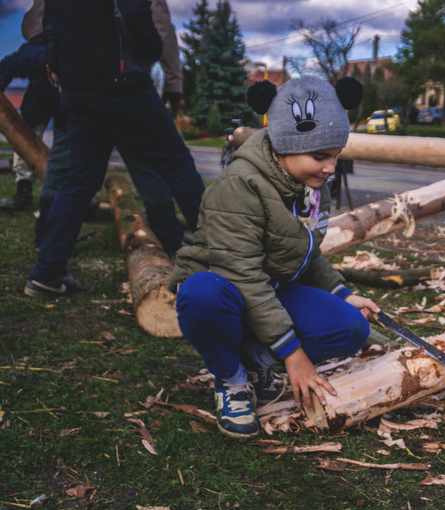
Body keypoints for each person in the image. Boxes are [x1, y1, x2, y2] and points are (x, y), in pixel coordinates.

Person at [169, 76, 379, 439]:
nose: (331, 168)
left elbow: (305, 254)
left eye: (335, 156)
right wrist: (293, 355)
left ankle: (253, 361)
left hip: (270, 290)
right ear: (285, 144)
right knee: (200, 293)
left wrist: (342, 294)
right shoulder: (240, 185)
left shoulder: (310, 186)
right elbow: (242, 275)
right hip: (227, 293)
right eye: (320, 156)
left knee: (351, 327)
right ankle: (231, 380)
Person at [25, 0, 206, 298]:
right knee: (178, 165)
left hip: (77, 89)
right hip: (124, 83)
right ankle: (225, 257)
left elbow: (47, 27)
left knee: (79, 180)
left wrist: (62, 67)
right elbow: (138, 12)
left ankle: (46, 273)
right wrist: (150, 52)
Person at [0, 3, 57, 212]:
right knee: (25, 135)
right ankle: (23, 193)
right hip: (39, 95)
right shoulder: (31, 55)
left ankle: (67, 197)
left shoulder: (80, 61)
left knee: (68, 144)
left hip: (71, 98)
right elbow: (5, 67)